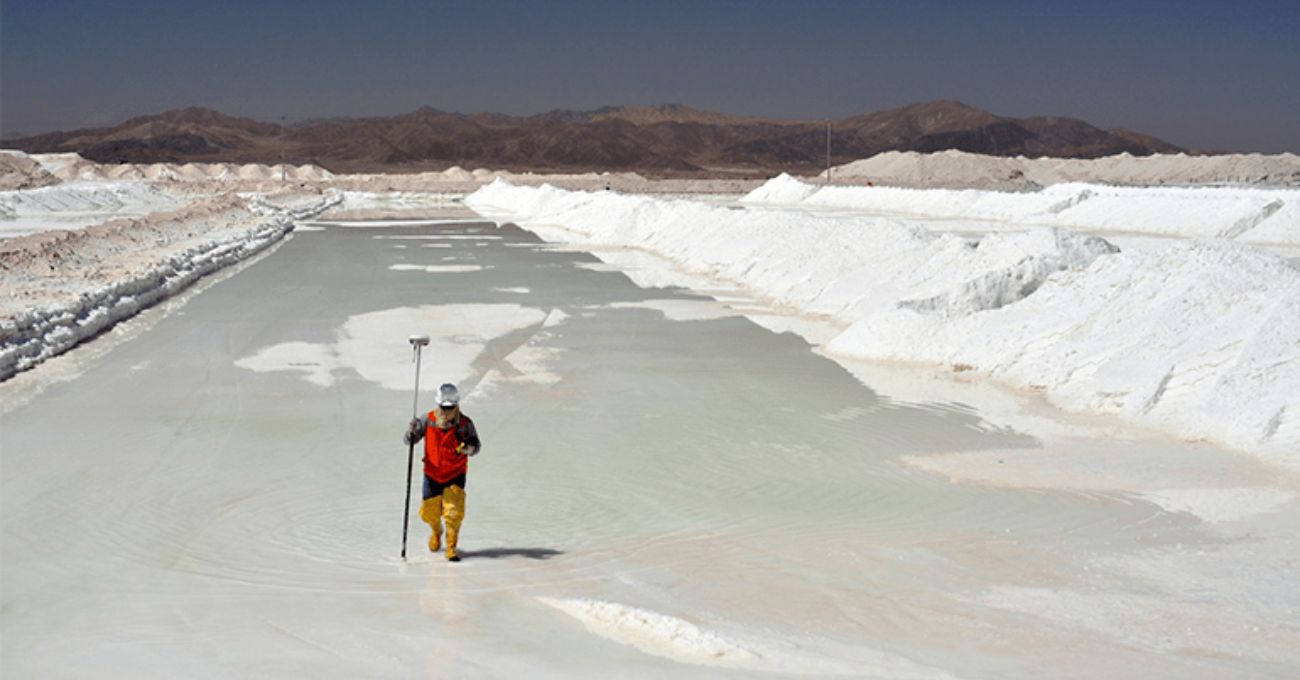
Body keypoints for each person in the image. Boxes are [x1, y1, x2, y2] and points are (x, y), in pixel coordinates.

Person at [405, 383, 481, 562]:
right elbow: (408, 441)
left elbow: (476, 447)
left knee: (453, 512)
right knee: (428, 512)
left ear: (457, 405)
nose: (447, 411)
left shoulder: (465, 424)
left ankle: (451, 547)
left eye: (450, 407)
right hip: (432, 474)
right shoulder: (427, 420)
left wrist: (467, 449)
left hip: (455, 474)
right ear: (438, 404)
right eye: (443, 407)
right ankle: (436, 531)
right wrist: (411, 432)